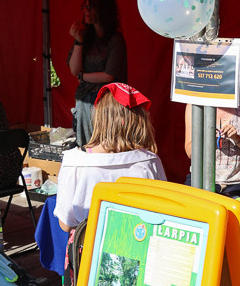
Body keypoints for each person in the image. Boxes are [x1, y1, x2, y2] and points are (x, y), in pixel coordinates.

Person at [54, 83, 165, 232]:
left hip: (89, 249)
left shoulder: (74, 162)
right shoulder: (150, 162)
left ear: (99, 117)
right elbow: (162, 213)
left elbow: (66, 224)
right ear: (138, 121)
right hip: (137, 246)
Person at [68, 0, 128, 147]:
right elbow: (74, 69)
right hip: (84, 100)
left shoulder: (115, 39)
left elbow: (108, 76)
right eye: (84, 7)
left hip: (107, 103)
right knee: (85, 145)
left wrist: (83, 77)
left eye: (90, 7)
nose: (86, 11)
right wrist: (78, 42)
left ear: (103, 10)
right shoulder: (85, 35)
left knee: (106, 145)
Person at [183, 98, 240, 198]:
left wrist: (236, 138)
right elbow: (190, 152)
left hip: (239, 183)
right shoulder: (195, 106)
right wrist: (206, 137)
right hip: (201, 180)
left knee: (233, 209)